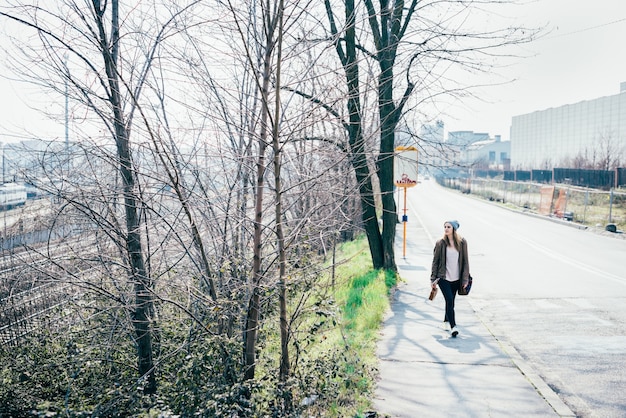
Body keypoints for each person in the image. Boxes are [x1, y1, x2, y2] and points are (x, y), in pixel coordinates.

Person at [430, 220, 470, 337]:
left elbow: (466, 262)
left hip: (457, 279)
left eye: (448, 227)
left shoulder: (462, 243)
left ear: (454, 229)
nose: (446, 229)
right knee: (449, 300)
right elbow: (435, 262)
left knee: (451, 301)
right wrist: (433, 279)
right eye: (445, 227)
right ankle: (453, 327)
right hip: (443, 278)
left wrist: (465, 280)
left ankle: (446, 321)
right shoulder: (440, 243)